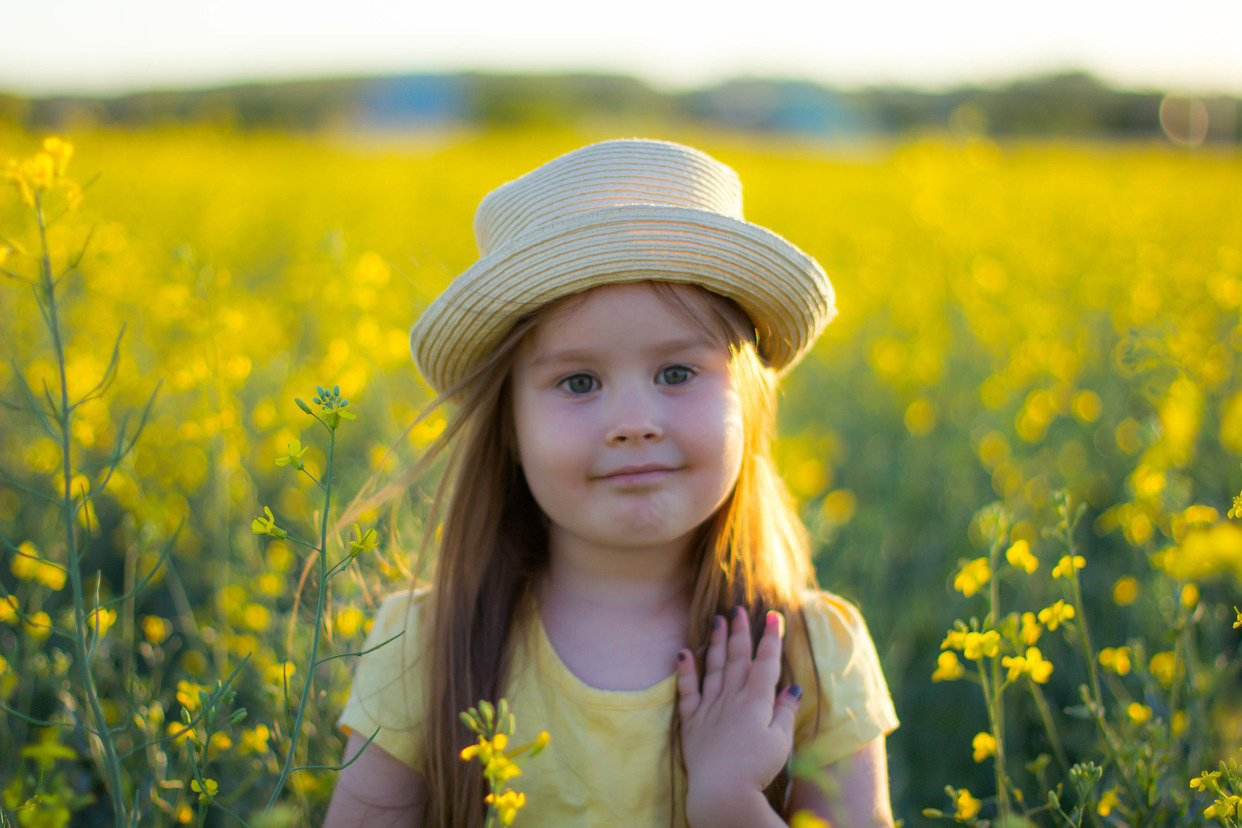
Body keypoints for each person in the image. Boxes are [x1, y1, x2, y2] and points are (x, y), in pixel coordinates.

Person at [323, 139, 898, 828]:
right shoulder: (425, 648)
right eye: (578, 382)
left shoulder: (813, 655)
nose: (633, 423)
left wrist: (730, 802)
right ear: (510, 426)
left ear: (745, 400)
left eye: (677, 373)